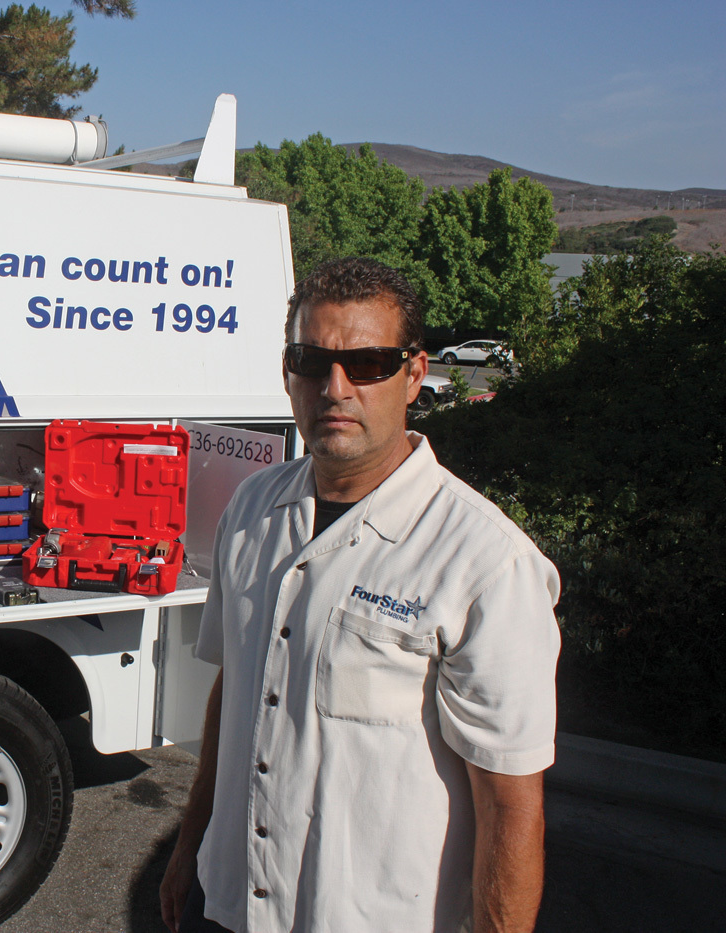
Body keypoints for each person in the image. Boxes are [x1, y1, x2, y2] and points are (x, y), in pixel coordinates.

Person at [160, 257, 560, 933]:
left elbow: (510, 803)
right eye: (311, 361)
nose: (335, 388)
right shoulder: (251, 511)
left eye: (368, 363)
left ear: (415, 374)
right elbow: (240, 687)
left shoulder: (486, 562)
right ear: (287, 372)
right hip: (233, 908)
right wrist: (189, 843)